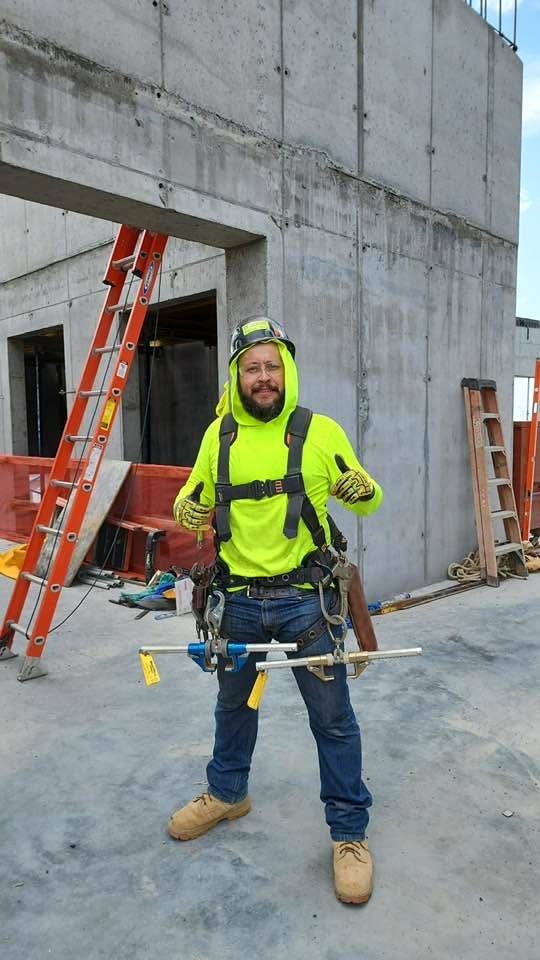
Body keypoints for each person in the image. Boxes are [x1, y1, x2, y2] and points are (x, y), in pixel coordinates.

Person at [170, 316, 383, 904]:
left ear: (286, 370)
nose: (262, 378)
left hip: (306, 602)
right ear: (237, 376)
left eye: (271, 366)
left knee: (332, 718)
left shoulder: (320, 432)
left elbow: (368, 494)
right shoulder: (219, 437)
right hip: (234, 600)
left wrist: (361, 490)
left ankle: (348, 833)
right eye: (251, 368)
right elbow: (195, 494)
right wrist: (188, 507)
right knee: (233, 708)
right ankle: (228, 793)